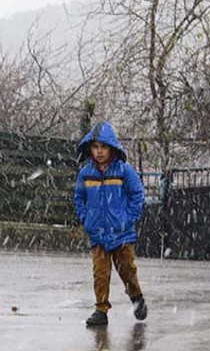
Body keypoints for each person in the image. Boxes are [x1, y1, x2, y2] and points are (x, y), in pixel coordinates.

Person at [73, 121, 147, 326]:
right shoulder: (86, 174)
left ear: (111, 148)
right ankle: (101, 309)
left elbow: (137, 195)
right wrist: (86, 218)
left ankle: (136, 297)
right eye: (95, 147)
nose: (99, 152)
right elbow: (79, 198)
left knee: (127, 270)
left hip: (121, 234)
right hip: (98, 233)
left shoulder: (124, 171)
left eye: (103, 147)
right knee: (100, 273)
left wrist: (128, 219)